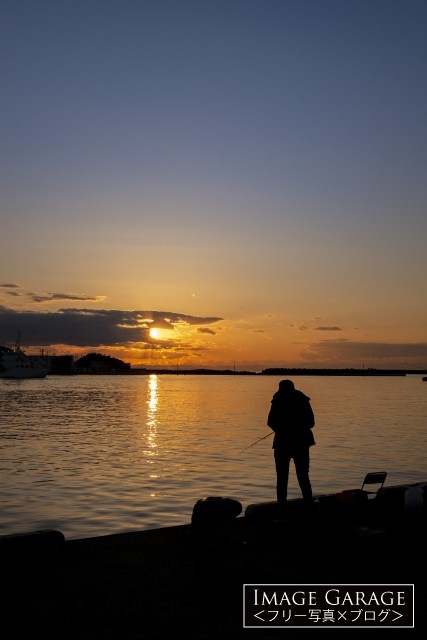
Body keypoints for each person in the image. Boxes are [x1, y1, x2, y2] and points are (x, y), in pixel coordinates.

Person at [267, 379, 315, 509]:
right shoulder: (302, 399)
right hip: (302, 443)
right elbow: (311, 423)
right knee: (303, 476)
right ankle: (309, 507)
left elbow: (270, 422)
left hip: (282, 443)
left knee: (281, 478)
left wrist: (280, 428)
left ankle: (282, 509)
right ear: (293, 387)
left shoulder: (277, 399)